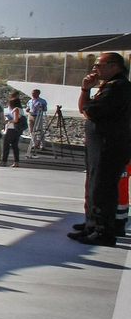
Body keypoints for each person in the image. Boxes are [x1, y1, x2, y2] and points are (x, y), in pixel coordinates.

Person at [70, 53, 131, 245]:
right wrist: (85, 90)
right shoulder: (109, 86)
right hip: (100, 145)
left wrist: (88, 96)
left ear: (114, 67)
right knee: (94, 187)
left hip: (109, 146)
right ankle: (93, 225)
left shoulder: (118, 87)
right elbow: (85, 109)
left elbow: (90, 110)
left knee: (102, 189)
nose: (95, 69)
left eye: (99, 65)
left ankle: (103, 231)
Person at [0, 94, 26, 167]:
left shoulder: (16, 109)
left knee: (6, 144)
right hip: (16, 130)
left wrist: (8, 120)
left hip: (12, 129)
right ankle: (16, 161)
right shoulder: (21, 110)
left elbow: (15, 119)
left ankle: (4, 161)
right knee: (15, 145)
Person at [26, 89, 49, 157]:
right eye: (32, 93)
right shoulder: (30, 101)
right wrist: (27, 109)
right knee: (31, 130)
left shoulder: (42, 101)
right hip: (31, 115)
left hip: (38, 116)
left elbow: (45, 109)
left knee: (39, 130)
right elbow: (28, 107)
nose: (32, 94)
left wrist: (42, 107)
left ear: (37, 94)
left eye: (34, 93)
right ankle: (35, 144)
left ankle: (42, 145)